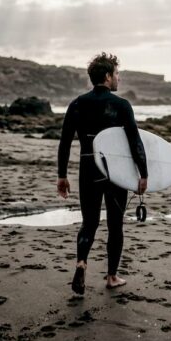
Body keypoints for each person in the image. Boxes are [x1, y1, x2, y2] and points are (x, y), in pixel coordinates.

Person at [57, 52, 148, 294]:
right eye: (116, 74)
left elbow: (65, 143)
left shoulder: (77, 104)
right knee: (115, 224)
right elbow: (135, 141)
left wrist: (62, 175)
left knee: (89, 223)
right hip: (114, 171)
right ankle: (112, 276)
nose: (119, 78)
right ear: (107, 76)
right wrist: (143, 173)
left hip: (88, 167)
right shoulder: (121, 105)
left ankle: (81, 263)